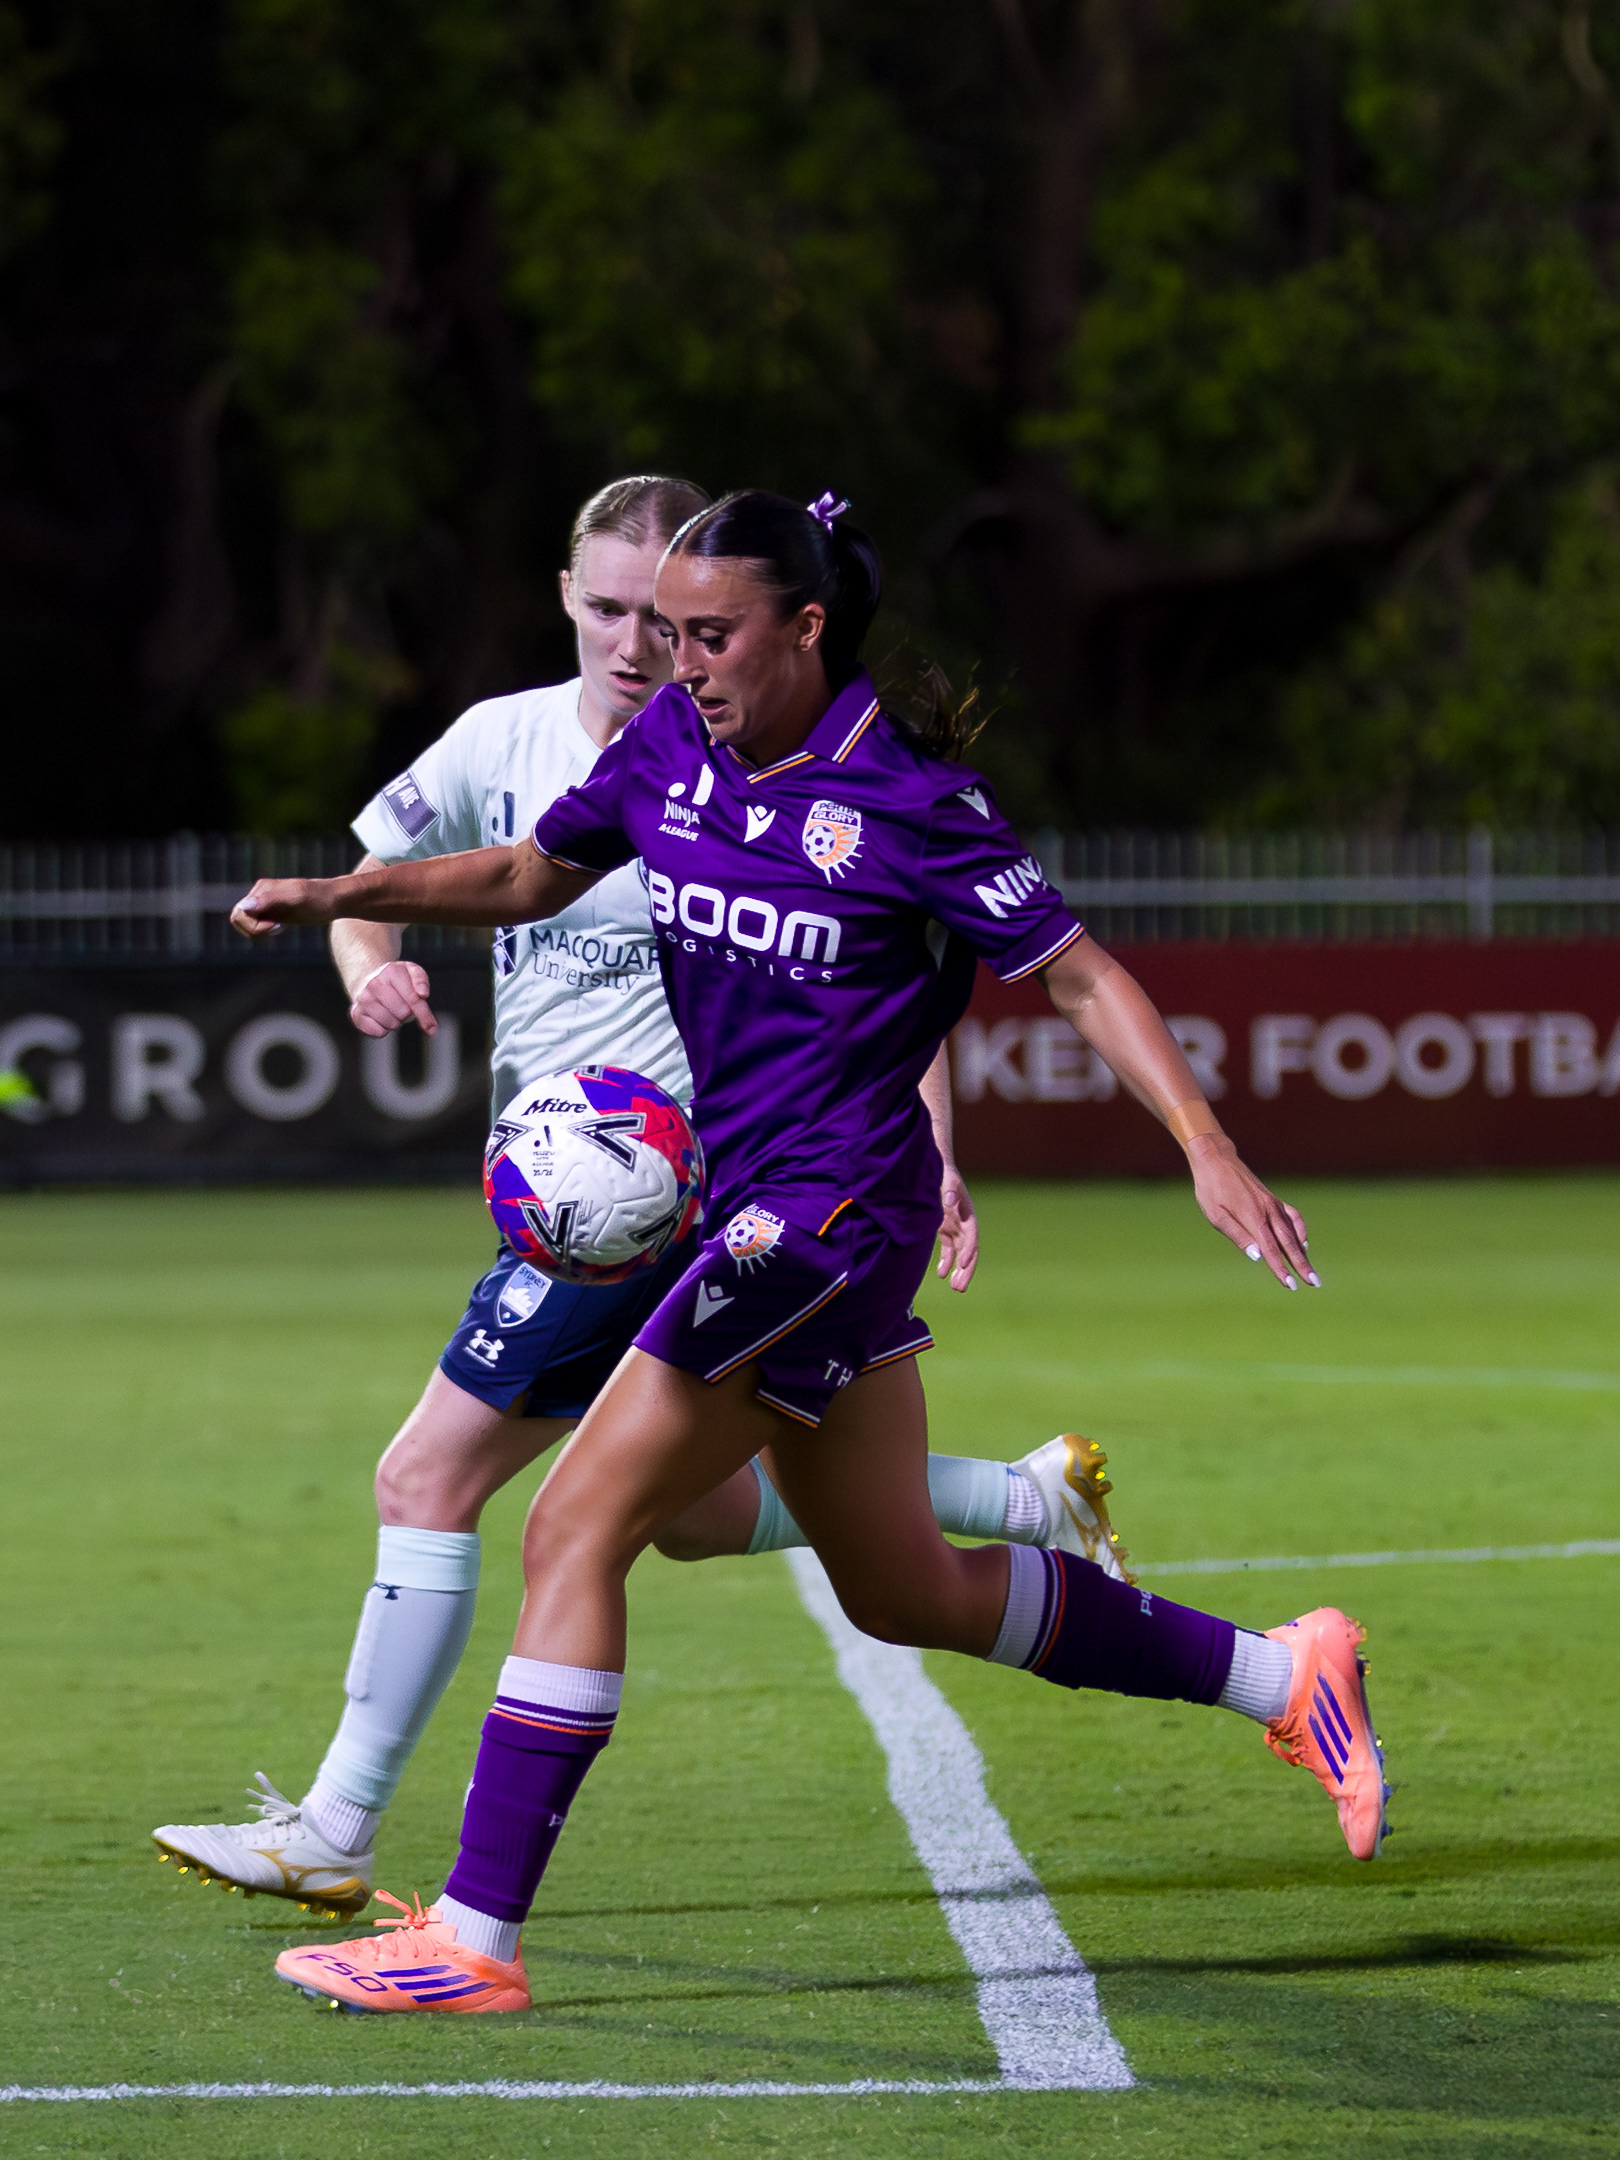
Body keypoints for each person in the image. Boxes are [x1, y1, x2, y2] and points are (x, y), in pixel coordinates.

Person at [230, 488, 1384, 2020]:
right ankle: (1287, 1675)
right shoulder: (672, 750)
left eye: (710, 634)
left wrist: (1206, 1142)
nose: (679, 661)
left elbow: (1081, 977)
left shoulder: (912, 804)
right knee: (906, 1589)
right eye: (663, 630)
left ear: (808, 625)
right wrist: (345, 895)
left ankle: (475, 1937)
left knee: (574, 1528)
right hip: (754, 1210)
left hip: (826, 1223)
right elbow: (525, 875)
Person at [151, 477, 1131, 1922]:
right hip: (572, 1191)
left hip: (667, 1205)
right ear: (567, 596)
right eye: (611, 612)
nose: (638, 646)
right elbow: (388, 885)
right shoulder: (506, 742)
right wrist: (368, 961)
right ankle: (1026, 1498)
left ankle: (341, 1830)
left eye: (665, 622)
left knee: (435, 1481)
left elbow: (866, 976)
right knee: (696, 1514)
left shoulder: (760, 757)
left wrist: (934, 1143)